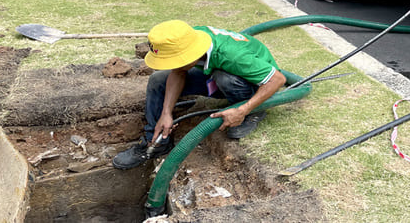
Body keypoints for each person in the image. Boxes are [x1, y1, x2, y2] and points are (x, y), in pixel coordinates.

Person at [113, 20, 286, 169]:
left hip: (251, 83)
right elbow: (178, 71)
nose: (172, 65)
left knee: (225, 78)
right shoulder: (186, 38)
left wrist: (243, 110)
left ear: (190, 53)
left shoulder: (233, 56)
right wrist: (166, 112)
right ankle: (157, 142)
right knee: (158, 80)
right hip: (217, 74)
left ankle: (253, 112)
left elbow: (277, 80)